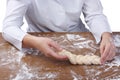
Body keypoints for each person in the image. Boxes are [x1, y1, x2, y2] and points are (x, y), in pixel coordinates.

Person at [2, 0, 116, 64]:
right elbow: (9, 26)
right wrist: (33, 41)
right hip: (38, 38)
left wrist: (105, 35)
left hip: (79, 37)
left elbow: (94, 14)